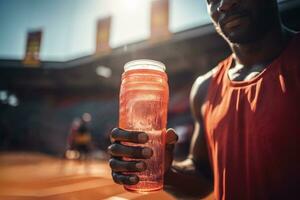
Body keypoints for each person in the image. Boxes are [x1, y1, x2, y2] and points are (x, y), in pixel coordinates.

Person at [108, 0, 300, 199]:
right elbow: (203, 177)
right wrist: (165, 172)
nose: (224, 4)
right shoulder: (204, 88)